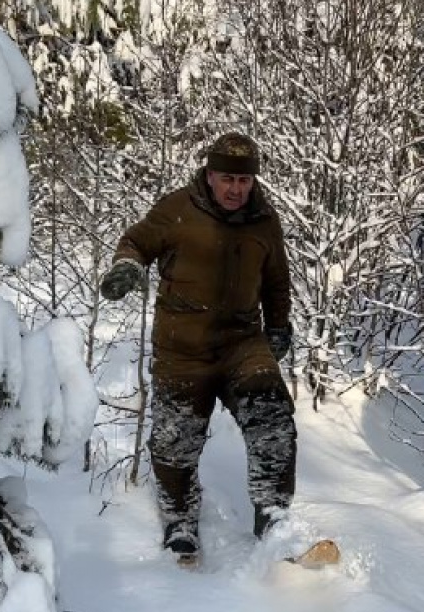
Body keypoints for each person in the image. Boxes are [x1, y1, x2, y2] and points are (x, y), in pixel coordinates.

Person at [99, 132, 296, 563]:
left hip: (243, 343)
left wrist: (279, 329)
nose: (235, 189)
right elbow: (136, 241)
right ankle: (180, 521)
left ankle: (273, 515)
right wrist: (128, 265)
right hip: (182, 349)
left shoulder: (265, 220)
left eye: (244, 181)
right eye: (227, 178)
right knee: (174, 444)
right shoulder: (176, 210)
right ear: (209, 175)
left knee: (273, 416)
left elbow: (277, 280)